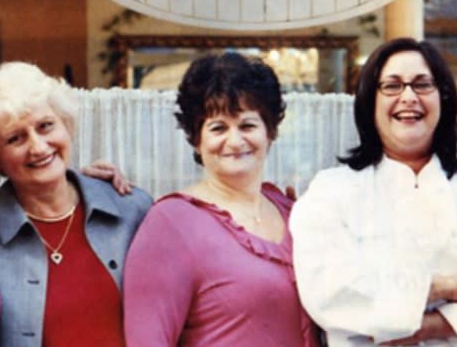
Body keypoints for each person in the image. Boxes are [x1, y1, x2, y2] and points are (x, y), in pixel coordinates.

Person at [289, 37, 457, 346]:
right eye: (392, 85)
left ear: (443, 99)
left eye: (422, 84)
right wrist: (450, 288)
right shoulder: (331, 192)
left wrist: (430, 326)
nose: (408, 97)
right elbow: (330, 293)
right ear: (369, 102)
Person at [123, 52, 321, 346]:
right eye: (218, 127)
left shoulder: (292, 211)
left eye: (247, 125)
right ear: (196, 139)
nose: (235, 140)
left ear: (270, 132)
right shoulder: (170, 223)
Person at [0, 61, 152, 346]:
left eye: (46, 126)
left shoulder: (130, 208)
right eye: (15, 138)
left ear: (65, 123)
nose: (38, 147)